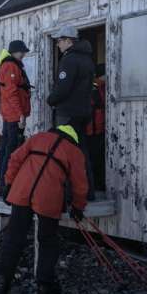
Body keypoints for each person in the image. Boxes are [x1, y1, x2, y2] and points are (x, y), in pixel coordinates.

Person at [0, 125, 88, 294]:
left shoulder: (38, 138)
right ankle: (44, 285)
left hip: (22, 190)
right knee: (48, 241)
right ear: (73, 139)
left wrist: (8, 184)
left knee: (14, 236)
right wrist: (78, 206)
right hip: (48, 196)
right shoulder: (75, 152)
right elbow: (80, 184)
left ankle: (2, 281)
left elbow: (15, 158)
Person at [46, 26, 96, 201]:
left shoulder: (69, 60)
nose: (58, 44)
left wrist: (50, 99)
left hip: (67, 114)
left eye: (59, 40)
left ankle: (67, 194)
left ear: (68, 40)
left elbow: (63, 89)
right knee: (82, 152)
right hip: (83, 112)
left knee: (64, 152)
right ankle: (87, 191)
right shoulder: (88, 60)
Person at [0, 40, 32, 192]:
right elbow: (12, 93)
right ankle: (6, 185)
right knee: (11, 149)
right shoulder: (11, 66)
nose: (23, 54)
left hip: (10, 115)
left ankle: (2, 184)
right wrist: (20, 114)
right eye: (21, 52)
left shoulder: (9, 65)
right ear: (15, 51)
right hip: (13, 116)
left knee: (6, 148)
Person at [85, 64, 106, 192]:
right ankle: (96, 185)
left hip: (96, 129)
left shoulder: (98, 86)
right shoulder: (95, 87)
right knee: (95, 159)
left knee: (95, 159)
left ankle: (97, 184)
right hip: (93, 130)